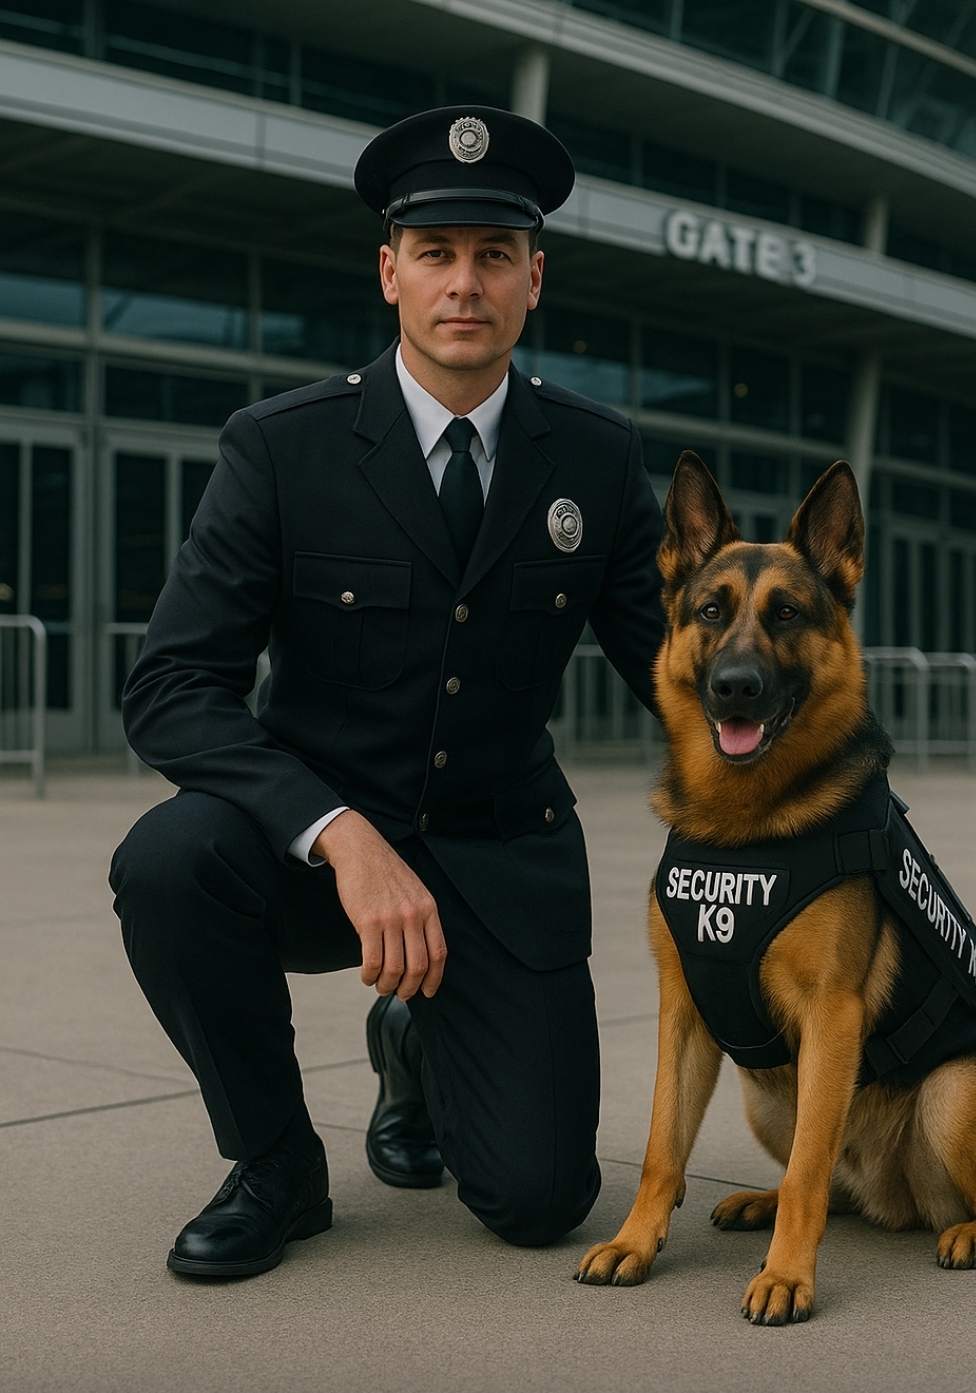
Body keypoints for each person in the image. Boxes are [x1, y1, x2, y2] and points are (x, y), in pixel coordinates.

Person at [110, 105, 665, 1278]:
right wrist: (338, 832)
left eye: (493, 256)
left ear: (533, 280)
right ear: (389, 273)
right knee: (169, 860)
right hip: (322, 861)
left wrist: (811, 782)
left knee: (538, 1201)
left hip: (502, 858)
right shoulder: (282, 448)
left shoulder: (599, 460)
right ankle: (276, 1165)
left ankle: (411, 1043)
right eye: (437, 253)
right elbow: (170, 687)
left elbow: (673, 667)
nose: (465, 282)